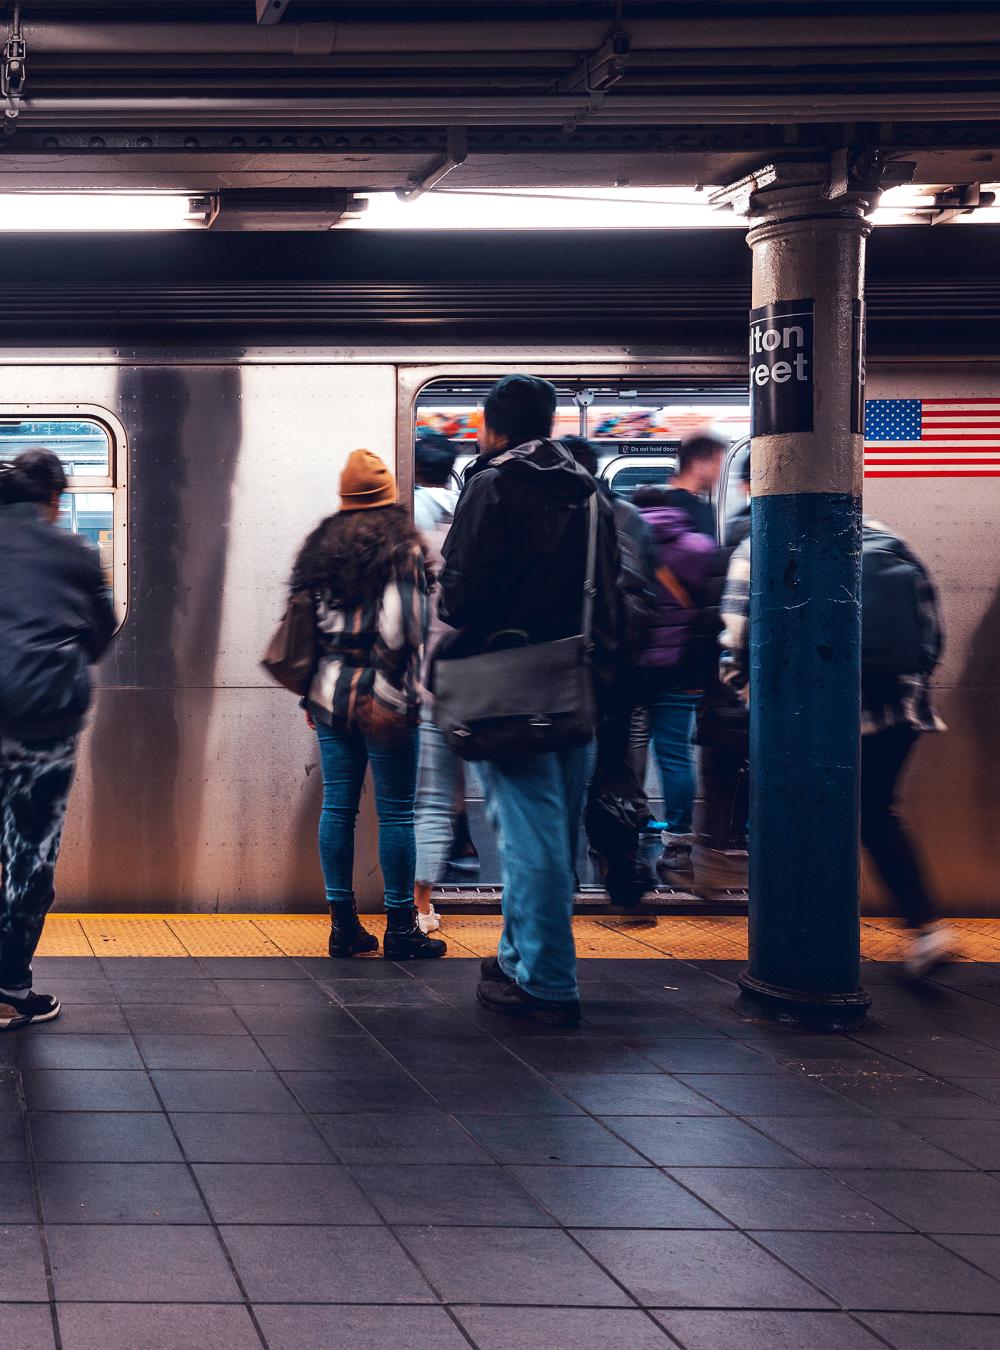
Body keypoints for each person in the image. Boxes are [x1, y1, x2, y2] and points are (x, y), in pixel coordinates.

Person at [437, 376, 619, 1025]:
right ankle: (519, 954)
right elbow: (613, 592)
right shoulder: (589, 490)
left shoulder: (491, 483)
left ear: (494, 428)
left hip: (513, 684)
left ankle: (546, 981)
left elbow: (460, 598)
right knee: (551, 834)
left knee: (528, 839)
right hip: (578, 679)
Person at [720, 519, 957, 977]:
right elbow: (931, 635)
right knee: (877, 814)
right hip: (896, 709)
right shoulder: (891, 538)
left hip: (809, 714)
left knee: (803, 817)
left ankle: (808, 938)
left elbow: (735, 637)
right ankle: (926, 928)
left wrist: (753, 699)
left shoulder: (761, 544)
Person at [294, 448, 445, 961]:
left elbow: (304, 629)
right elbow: (404, 627)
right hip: (386, 699)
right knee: (397, 813)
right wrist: (386, 694)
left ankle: (343, 927)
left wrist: (309, 695)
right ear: (388, 497)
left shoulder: (320, 547)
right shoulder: (401, 547)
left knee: (339, 806)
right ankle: (402, 928)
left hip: (330, 694)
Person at [0, 448, 116, 1029]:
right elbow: (99, 637)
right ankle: (9, 986)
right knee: (29, 856)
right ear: (53, 499)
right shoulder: (74, 551)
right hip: (42, 727)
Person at [563, 435, 657, 906]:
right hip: (624, 675)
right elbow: (647, 594)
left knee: (562, 782)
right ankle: (623, 871)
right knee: (616, 777)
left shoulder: (564, 517)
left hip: (571, 675)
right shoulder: (630, 517)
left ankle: (563, 881)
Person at [632, 473, 728, 884]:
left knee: (630, 746)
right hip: (680, 667)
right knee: (674, 753)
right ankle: (677, 837)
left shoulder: (627, 543)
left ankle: (630, 817)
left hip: (633, 666)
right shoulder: (699, 547)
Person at [412, 433, 477, 935]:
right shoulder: (468, 523)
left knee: (424, 797)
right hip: (473, 680)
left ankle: (417, 905)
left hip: (420, 681)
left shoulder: (409, 532)